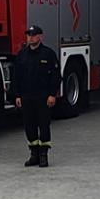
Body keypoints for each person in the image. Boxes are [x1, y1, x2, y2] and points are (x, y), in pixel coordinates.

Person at [12, 24, 61, 168]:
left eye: (33, 35)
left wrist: (52, 94)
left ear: (41, 37)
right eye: (28, 35)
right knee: (29, 126)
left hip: (43, 97)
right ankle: (34, 154)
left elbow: (56, 76)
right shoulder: (22, 55)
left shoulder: (48, 54)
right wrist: (17, 95)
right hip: (26, 96)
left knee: (44, 125)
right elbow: (16, 76)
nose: (30, 37)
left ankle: (44, 155)